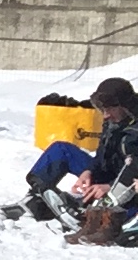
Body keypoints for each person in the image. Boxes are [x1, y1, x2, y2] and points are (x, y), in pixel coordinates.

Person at [11, 78, 138, 228]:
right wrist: (89, 171)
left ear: (124, 105)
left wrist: (110, 187)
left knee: (119, 215)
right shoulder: (113, 122)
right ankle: (37, 197)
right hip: (109, 177)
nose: (105, 115)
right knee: (61, 149)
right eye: (103, 110)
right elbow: (101, 155)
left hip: (129, 188)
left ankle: (90, 214)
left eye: (110, 109)